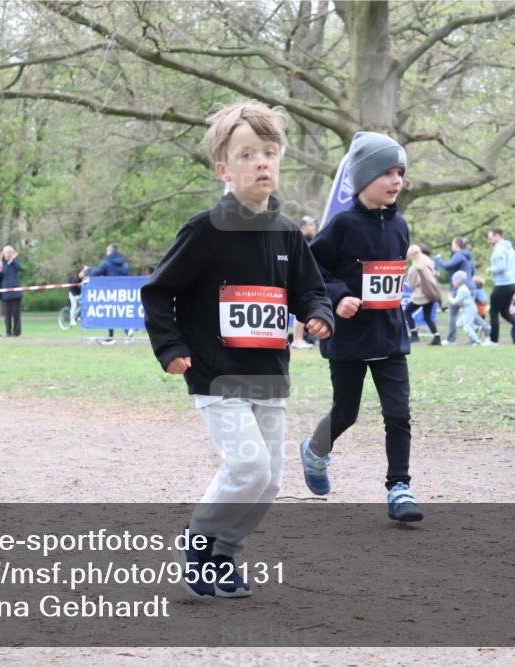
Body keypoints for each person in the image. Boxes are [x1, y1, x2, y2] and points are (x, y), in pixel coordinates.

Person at [141, 101, 333, 598]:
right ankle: (197, 541)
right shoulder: (204, 230)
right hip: (216, 375)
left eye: (270, 153)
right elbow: (159, 292)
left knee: (268, 482)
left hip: (269, 374)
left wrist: (318, 314)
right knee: (247, 468)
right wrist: (170, 346)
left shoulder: (288, 231)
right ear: (225, 168)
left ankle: (223, 555)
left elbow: (310, 289)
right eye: (248, 155)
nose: (262, 163)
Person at [299, 130, 424, 524]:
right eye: (386, 172)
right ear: (364, 178)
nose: (396, 180)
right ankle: (316, 450)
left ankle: (399, 486)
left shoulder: (400, 224)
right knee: (347, 412)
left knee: (398, 413)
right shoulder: (342, 225)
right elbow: (313, 270)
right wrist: (338, 297)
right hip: (349, 339)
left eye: (400, 172)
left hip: (389, 336)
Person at [487, 229, 515, 345]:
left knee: (493, 311)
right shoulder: (510, 249)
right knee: (504, 312)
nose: (489, 240)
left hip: (502, 284)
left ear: (497, 236)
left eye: (490, 237)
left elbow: (501, 267)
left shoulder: (499, 249)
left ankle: (493, 339)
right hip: (512, 283)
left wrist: (490, 269)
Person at [87, 243, 131, 344]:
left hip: (110, 292)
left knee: (110, 313)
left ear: (110, 251)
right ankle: (128, 333)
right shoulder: (124, 264)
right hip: (123, 292)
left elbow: (95, 273)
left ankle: (111, 337)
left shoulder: (106, 262)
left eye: (107, 250)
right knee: (120, 313)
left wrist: (89, 269)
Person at [434, 237, 475, 345]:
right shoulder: (467, 256)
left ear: (456, 244)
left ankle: (451, 339)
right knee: (471, 311)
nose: (451, 246)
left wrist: (439, 259)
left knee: (453, 314)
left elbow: (447, 266)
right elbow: (473, 271)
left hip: (460, 288)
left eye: (452, 243)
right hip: (470, 287)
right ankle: (484, 328)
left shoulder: (458, 255)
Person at [403, 244, 442, 345]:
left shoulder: (414, 268)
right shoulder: (429, 262)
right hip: (430, 293)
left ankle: (414, 334)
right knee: (428, 317)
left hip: (420, 296)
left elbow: (411, 285)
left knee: (407, 312)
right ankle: (437, 337)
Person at [291, 216, 320, 349]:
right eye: (310, 225)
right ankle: (297, 340)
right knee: (300, 309)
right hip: (298, 279)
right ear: (303, 227)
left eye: (314, 224)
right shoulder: (298, 240)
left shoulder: (311, 241)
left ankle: (299, 339)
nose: (313, 227)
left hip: (305, 278)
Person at [448, 271, 481, 345]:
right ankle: (475, 328)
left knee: (466, 327)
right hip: (467, 310)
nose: (453, 283)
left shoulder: (462, 290)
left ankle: (476, 341)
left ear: (458, 281)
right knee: (459, 324)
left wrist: (449, 297)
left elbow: (455, 302)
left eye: (454, 281)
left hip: (469, 311)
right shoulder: (462, 289)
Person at [0, 245, 23, 337]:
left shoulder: (15, 262)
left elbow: (20, 268)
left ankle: (17, 332)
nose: (8, 254)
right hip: (6, 293)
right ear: (4, 254)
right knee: (7, 315)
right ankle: (8, 331)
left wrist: (13, 260)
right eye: (7, 252)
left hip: (16, 293)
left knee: (16, 314)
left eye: (10, 252)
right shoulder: (2, 264)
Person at [471, 275, 491, 340]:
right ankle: (478, 338)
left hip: (478, 311)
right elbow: (486, 301)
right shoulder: (483, 291)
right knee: (481, 325)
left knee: (473, 325)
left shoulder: (475, 292)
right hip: (483, 312)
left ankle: (475, 339)